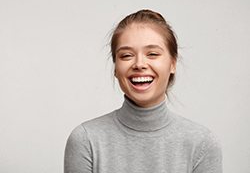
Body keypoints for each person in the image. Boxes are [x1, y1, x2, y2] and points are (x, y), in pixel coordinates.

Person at [64, 9, 222, 173]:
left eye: (152, 54)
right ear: (116, 68)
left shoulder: (202, 144)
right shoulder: (86, 140)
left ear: (173, 63)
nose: (139, 64)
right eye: (126, 56)